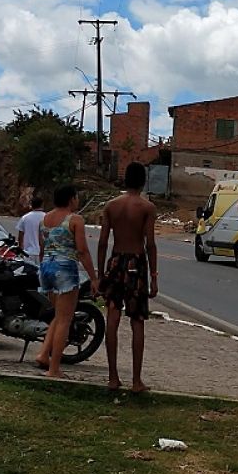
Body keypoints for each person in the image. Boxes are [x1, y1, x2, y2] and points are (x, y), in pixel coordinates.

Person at [97, 162, 158, 393]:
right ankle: (136, 380)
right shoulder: (147, 207)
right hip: (136, 263)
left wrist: (101, 273)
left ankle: (113, 377)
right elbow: (150, 244)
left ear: (125, 180)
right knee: (137, 321)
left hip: (115, 262)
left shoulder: (111, 206)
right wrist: (153, 275)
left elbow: (103, 242)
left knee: (112, 318)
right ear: (142, 181)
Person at [35, 185, 99, 379]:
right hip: (65, 269)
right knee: (65, 319)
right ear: (71, 199)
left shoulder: (44, 220)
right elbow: (82, 251)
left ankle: (44, 354)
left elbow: (42, 247)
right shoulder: (75, 220)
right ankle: (54, 369)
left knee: (57, 315)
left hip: (47, 267)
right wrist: (94, 277)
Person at [16, 196, 45, 266]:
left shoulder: (25, 218)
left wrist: (21, 250)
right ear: (42, 205)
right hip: (43, 253)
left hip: (28, 253)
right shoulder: (46, 217)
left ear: (31, 205)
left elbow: (20, 236)